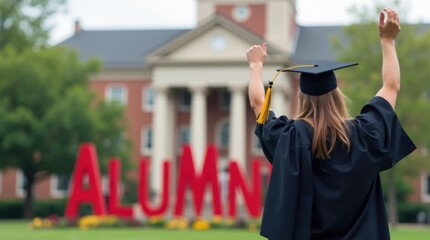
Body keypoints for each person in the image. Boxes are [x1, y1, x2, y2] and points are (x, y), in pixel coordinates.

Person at [247, 8, 416, 240]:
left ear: (302, 98)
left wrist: (256, 66)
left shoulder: (289, 138)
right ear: (337, 95)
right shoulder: (366, 134)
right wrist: (387, 41)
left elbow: (258, 104)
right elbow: (391, 86)